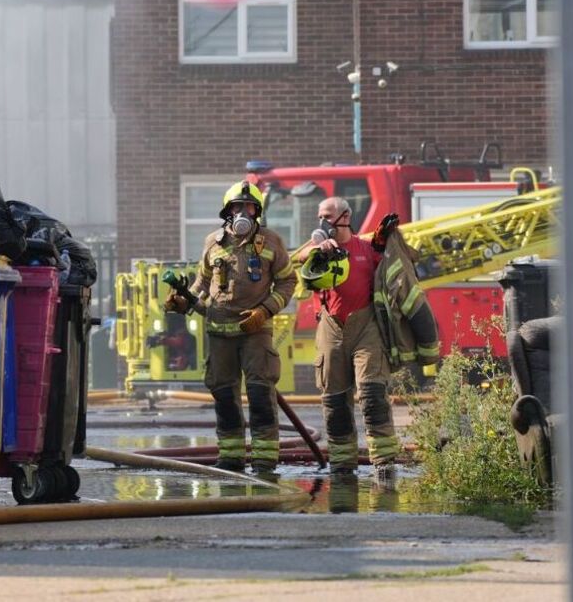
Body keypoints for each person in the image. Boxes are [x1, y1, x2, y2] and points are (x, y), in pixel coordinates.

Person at [164, 181, 296, 474]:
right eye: (237, 207)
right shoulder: (213, 242)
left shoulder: (271, 242)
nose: (242, 213)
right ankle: (232, 457)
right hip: (219, 333)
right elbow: (201, 283)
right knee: (224, 396)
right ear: (228, 211)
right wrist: (183, 302)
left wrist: (264, 312)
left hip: (255, 333)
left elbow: (288, 282)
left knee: (261, 394)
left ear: (257, 211)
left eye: (248, 207)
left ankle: (264, 460)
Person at [293, 197, 400, 483]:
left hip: (367, 327)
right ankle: (342, 464)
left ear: (345, 216)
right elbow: (298, 258)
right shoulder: (317, 250)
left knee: (372, 393)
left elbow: (403, 260)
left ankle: (384, 462)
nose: (323, 221)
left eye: (328, 215)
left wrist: (387, 241)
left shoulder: (366, 248)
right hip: (331, 326)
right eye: (319, 216)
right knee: (334, 400)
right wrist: (319, 246)